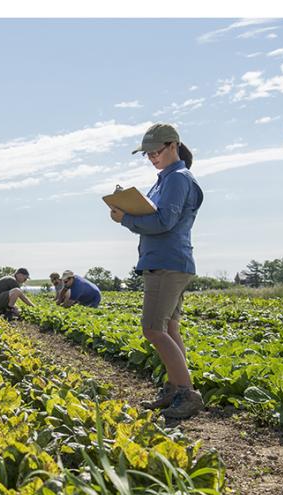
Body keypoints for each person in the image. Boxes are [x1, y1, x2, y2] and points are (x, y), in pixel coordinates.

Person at [109, 123, 204, 420]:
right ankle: (175, 388)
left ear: (173, 146)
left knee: (152, 329)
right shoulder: (165, 179)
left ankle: (186, 393)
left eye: (155, 151)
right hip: (167, 260)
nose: (151, 157)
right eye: (147, 153)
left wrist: (125, 218)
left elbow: (164, 222)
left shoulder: (177, 178)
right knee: (170, 329)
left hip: (167, 262)